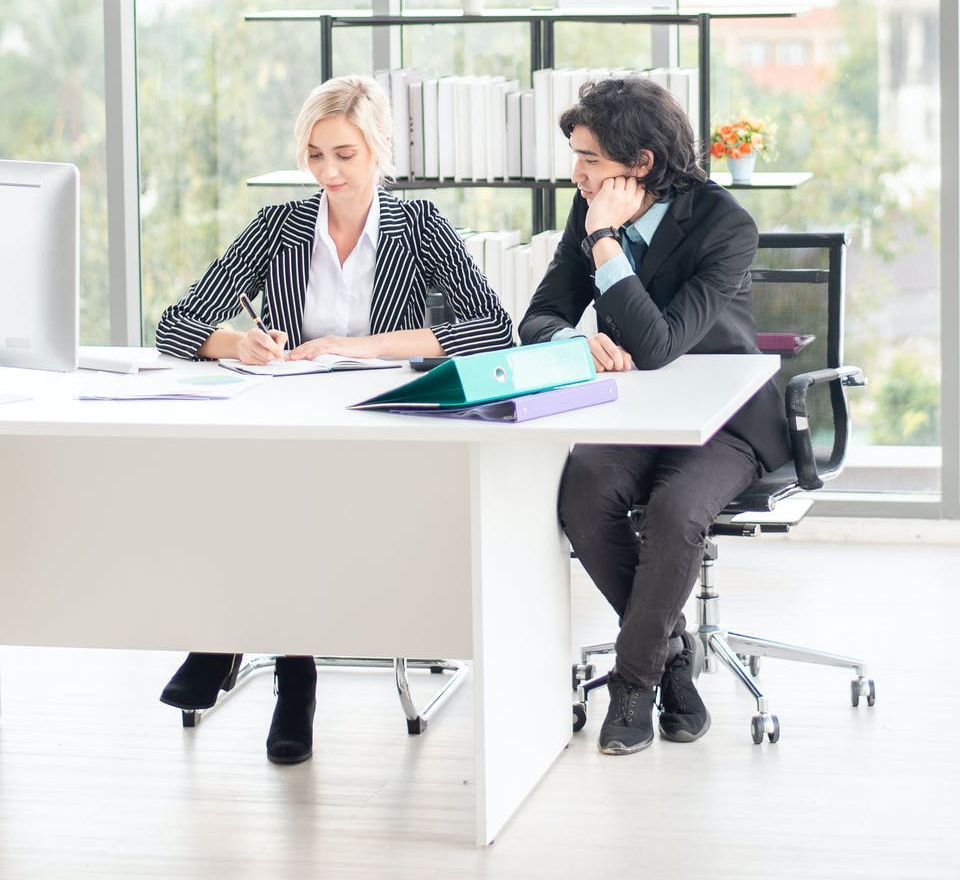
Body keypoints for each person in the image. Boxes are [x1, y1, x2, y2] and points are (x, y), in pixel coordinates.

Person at [155, 74, 513, 764]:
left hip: (386, 424)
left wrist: (363, 346)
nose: (329, 172)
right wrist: (241, 343)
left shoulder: (419, 226)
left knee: (286, 493)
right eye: (316, 155)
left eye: (345, 154)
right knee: (258, 480)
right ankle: (289, 665)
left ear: (378, 149)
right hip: (293, 420)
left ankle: (244, 650)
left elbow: (492, 329)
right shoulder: (281, 228)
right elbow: (177, 325)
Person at [519, 77, 790, 756]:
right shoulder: (584, 219)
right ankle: (673, 659)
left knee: (676, 513)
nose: (577, 174)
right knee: (582, 492)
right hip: (637, 416)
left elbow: (660, 345)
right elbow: (538, 318)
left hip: (725, 421)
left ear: (640, 164)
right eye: (575, 157)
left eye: (591, 161)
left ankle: (633, 684)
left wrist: (607, 244)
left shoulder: (725, 225)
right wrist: (569, 339)